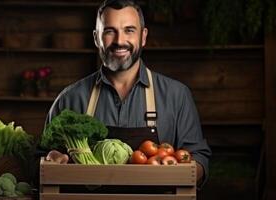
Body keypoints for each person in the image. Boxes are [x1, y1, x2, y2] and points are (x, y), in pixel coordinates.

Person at [43, 0, 211, 187]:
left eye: (129, 30)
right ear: (96, 38)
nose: (119, 41)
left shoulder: (177, 96)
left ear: (143, 36)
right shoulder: (70, 99)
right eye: (109, 31)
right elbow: (40, 160)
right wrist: (53, 159)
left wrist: (180, 171)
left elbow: (199, 158)